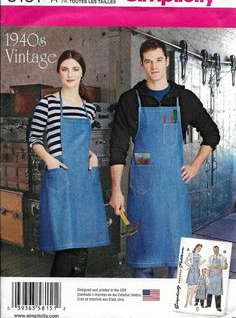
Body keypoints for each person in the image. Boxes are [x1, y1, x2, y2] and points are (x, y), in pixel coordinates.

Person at [109, 39, 220, 278]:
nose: (154, 67)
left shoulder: (184, 98)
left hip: (173, 195)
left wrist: (195, 165)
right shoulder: (130, 100)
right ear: (141, 64)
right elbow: (117, 147)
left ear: (167, 61)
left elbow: (212, 133)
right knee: (142, 264)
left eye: (159, 60)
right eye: (148, 61)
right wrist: (116, 189)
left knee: (177, 262)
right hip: (142, 195)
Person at [29, 50, 110, 277]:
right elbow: (34, 139)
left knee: (82, 245)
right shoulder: (47, 104)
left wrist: (91, 154)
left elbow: (80, 143)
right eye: (65, 69)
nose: (70, 74)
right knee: (67, 245)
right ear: (58, 73)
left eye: (75, 69)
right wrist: (49, 160)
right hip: (61, 177)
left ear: (82, 72)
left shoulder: (89, 108)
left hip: (83, 179)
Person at [206, 246, 228, 311]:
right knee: (209, 291)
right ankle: (208, 305)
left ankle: (218, 307)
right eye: (214, 250)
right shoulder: (210, 257)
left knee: (218, 292)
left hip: (218, 277)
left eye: (216, 250)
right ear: (213, 250)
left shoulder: (222, 257)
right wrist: (207, 277)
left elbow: (226, 266)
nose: (215, 251)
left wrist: (220, 266)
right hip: (211, 276)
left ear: (218, 249)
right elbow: (209, 268)